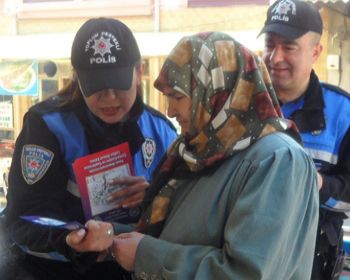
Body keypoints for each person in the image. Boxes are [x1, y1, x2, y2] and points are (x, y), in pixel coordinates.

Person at [67, 31, 319, 279]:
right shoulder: (200, 152)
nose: (170, 110)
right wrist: (112, 236)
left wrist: (146, 256)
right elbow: (178, 235)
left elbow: (248, 272)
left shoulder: (276, 160)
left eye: (178, 97)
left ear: (216, 90)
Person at [3, 17, 177, 280]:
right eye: (95, 85)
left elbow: (182, 214)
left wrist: (154, 198)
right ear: (76, 77)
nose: (108, 97)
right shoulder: (47, 126)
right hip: (54, 272)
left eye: (118, 83)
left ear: (139, 72)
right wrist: (70, 239)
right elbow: (23, 218)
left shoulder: (162, 131)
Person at [258, 0, 350, 279]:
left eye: (289, 47)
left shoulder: (342, 113)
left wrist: (317, 185)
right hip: (244, 256)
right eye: (270, 45)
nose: (275, 57)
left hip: (312, 263)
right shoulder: (240, 106)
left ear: (316, 53)